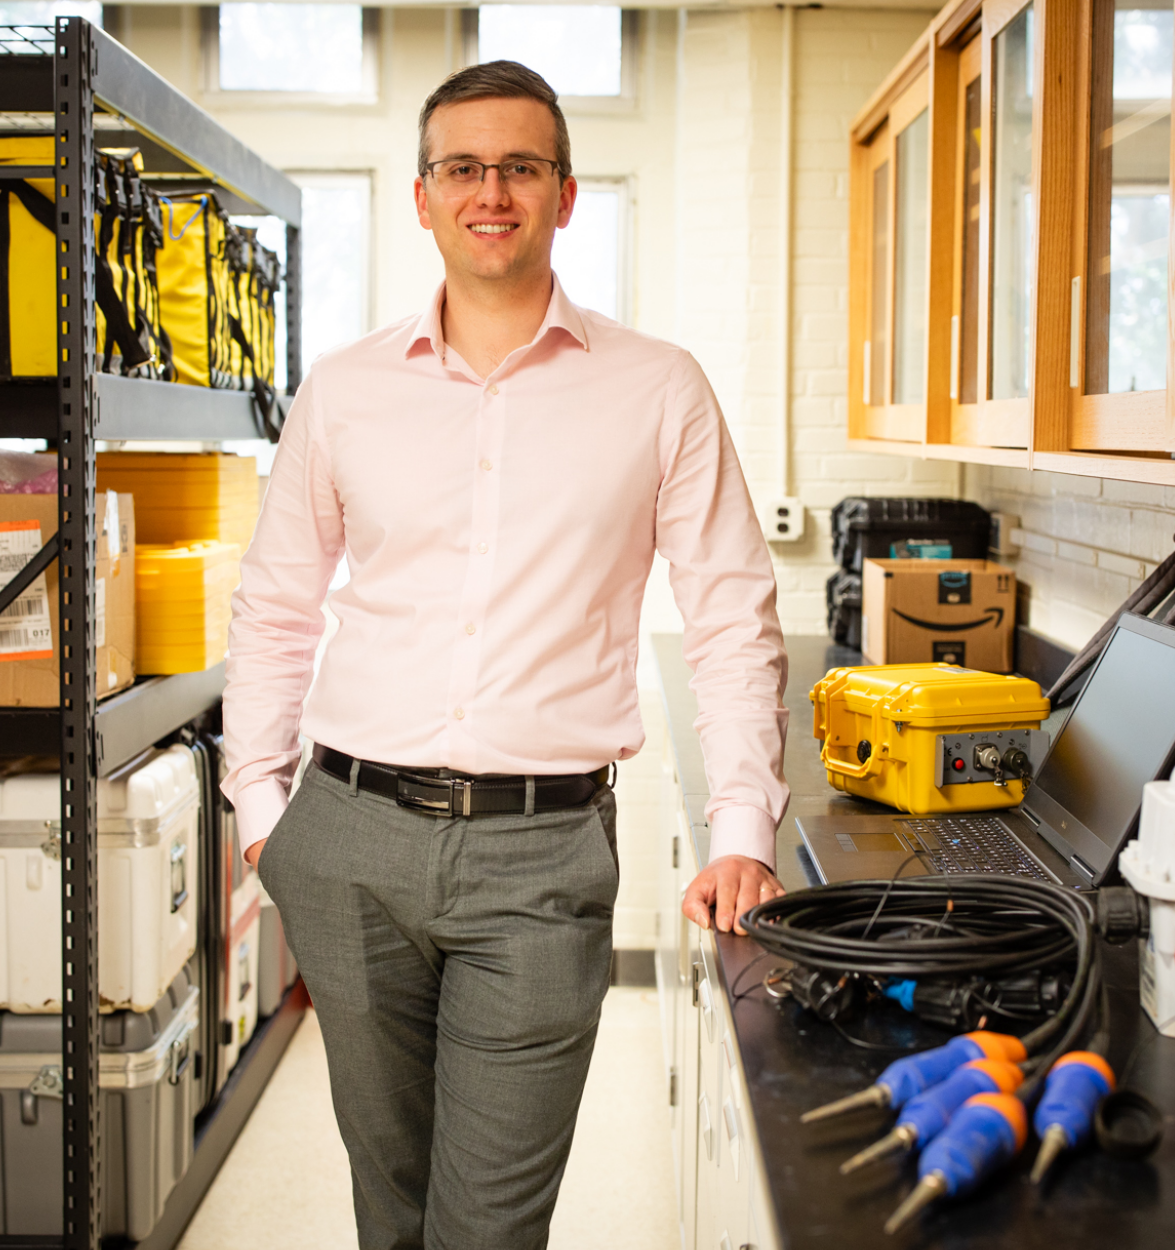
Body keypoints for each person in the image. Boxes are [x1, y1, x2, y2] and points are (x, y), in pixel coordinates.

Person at [221, 59, 789, 1250]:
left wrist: (743, 824)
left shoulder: (657, 390)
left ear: (564, 195)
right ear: (422, 195)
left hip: (540, 856)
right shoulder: (344, 391)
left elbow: (731, 612)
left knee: (485, 1225)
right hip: (346, 835)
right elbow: (276, 605)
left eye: (520, 166)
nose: (492, 190)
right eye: (462, 167)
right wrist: (263, 812)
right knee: (391, 1207)